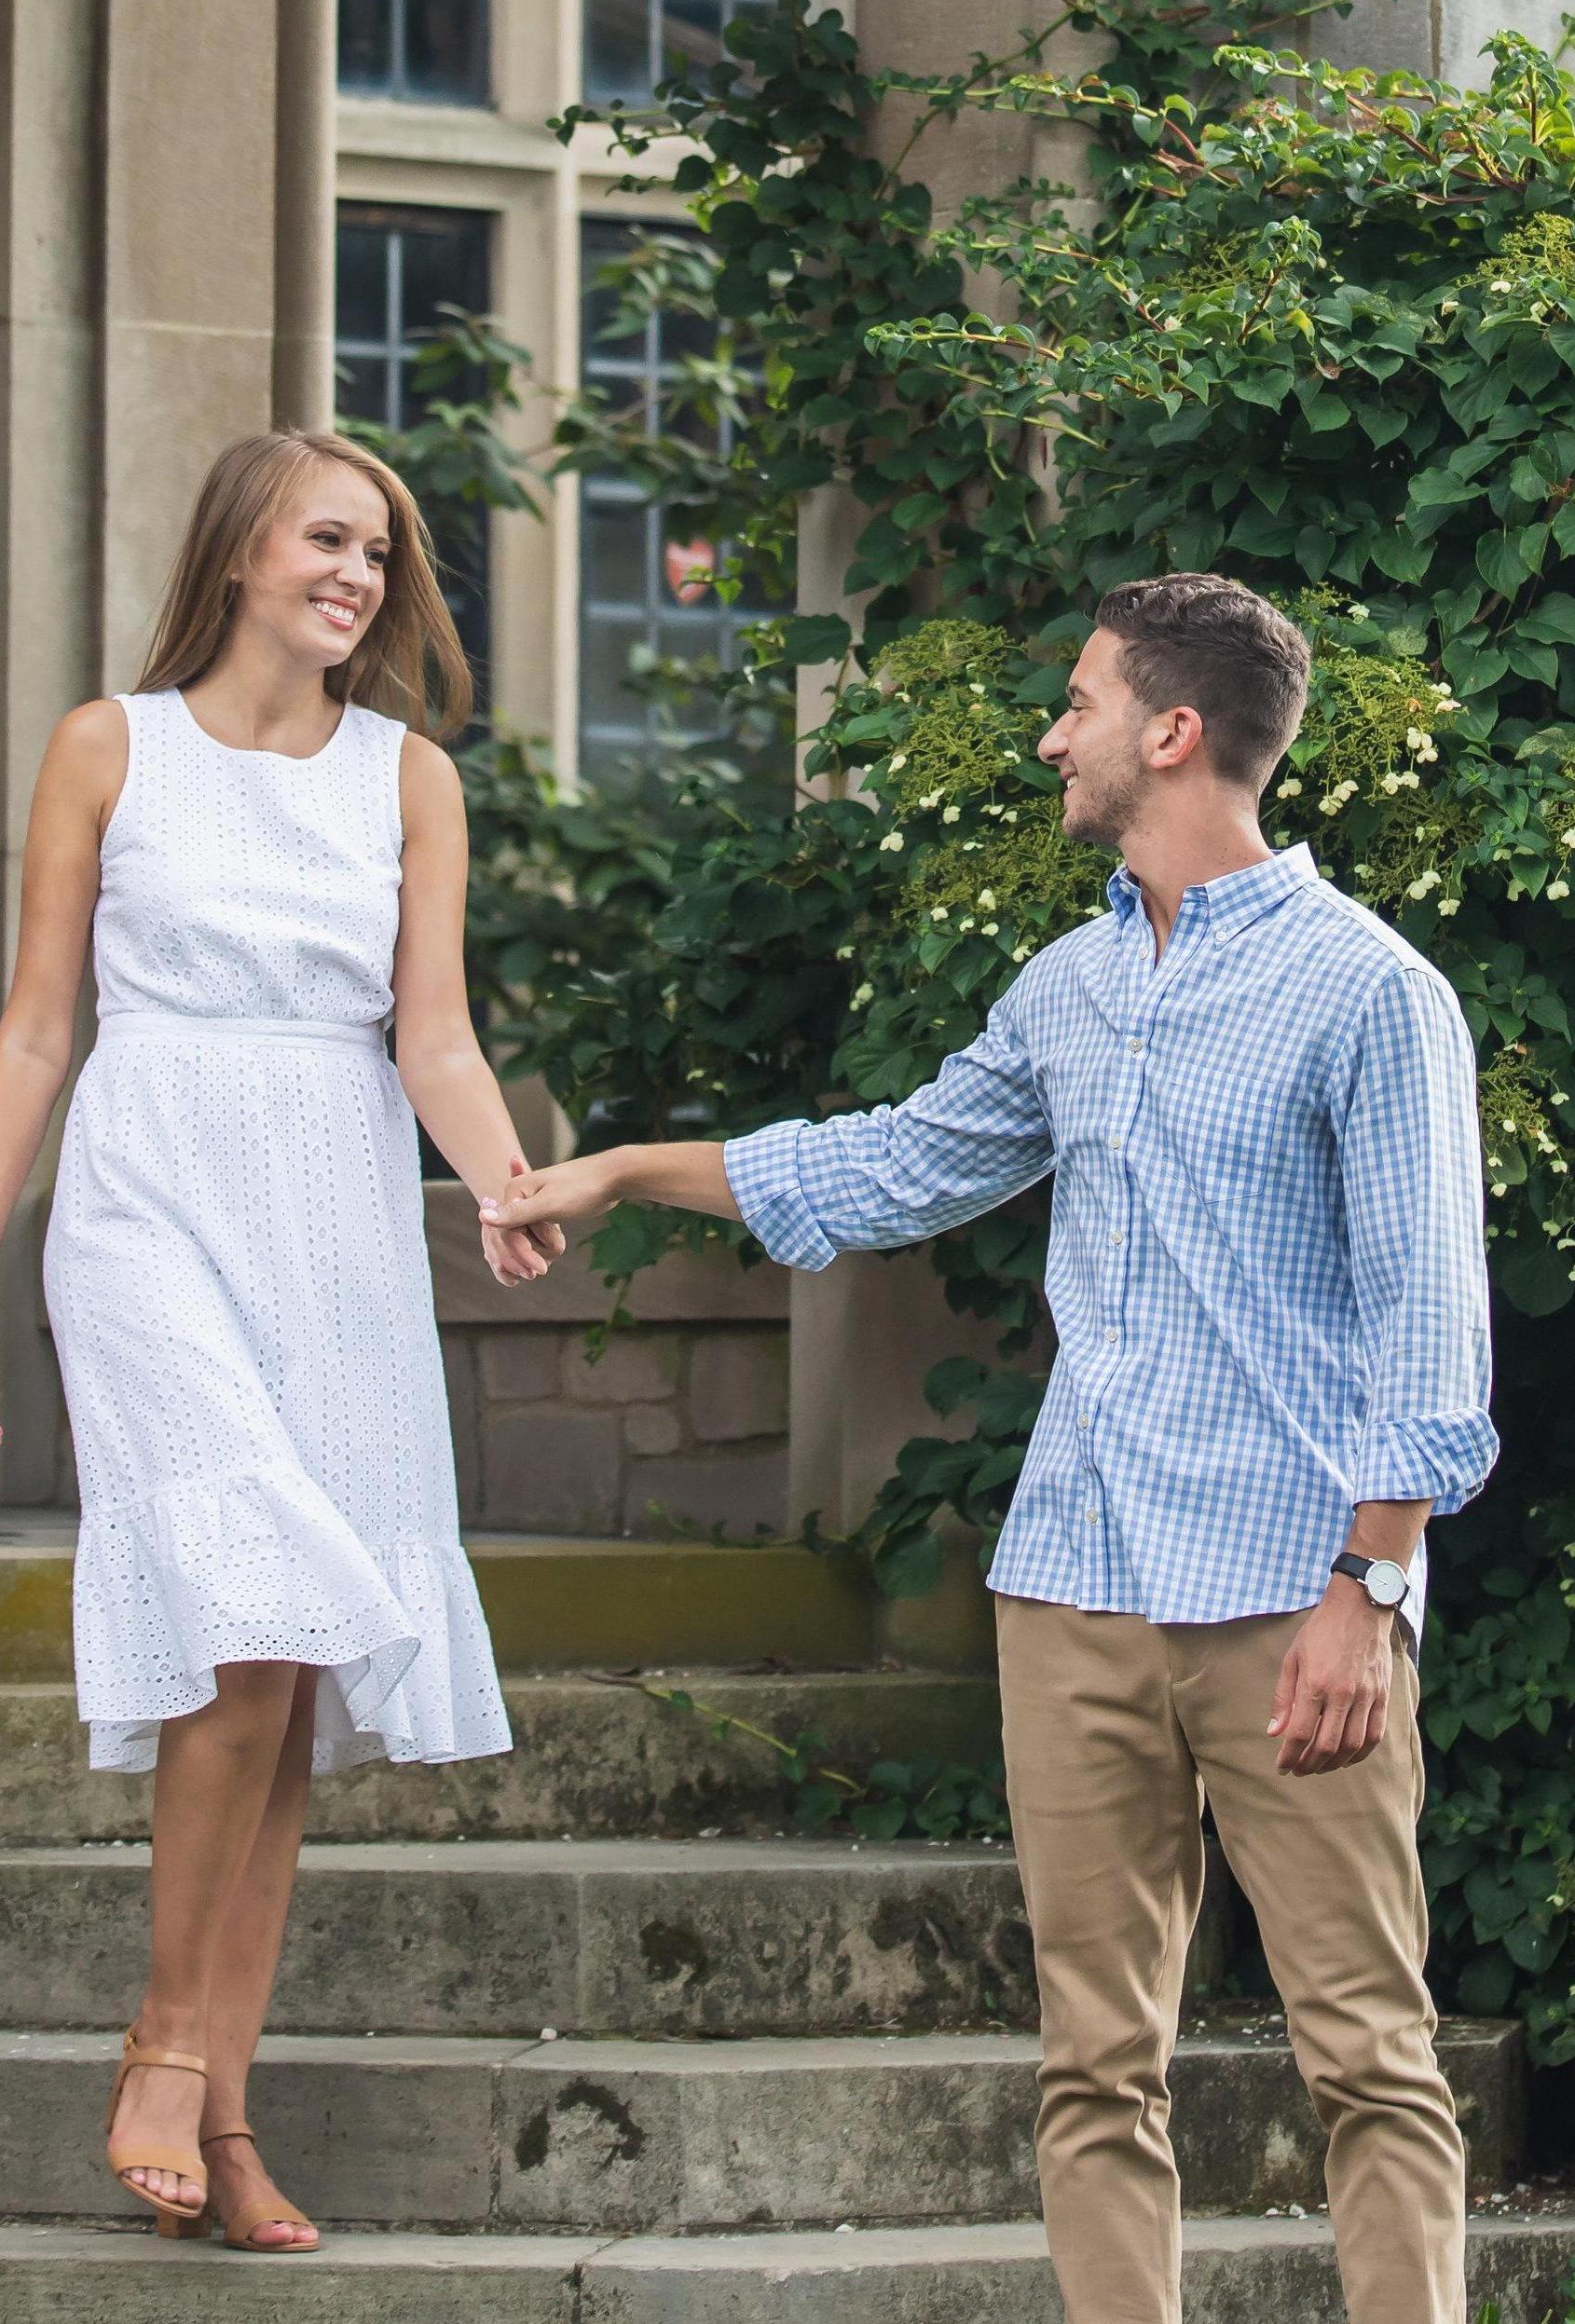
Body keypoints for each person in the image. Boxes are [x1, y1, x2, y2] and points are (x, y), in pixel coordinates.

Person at [484, 573, 1496, 2324]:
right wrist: (624, 1168)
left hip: (1289, 1601)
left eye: (1082, 701)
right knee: (1094, 2065)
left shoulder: (1372, 998)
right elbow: (888, 1164)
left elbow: (1431, 1324)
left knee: (1369, 2057)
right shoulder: (1071, 985)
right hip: (1076, 1592)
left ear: (1172, 733)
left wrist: (1370, 1581)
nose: (1054, 732)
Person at [0, 429, 562, 2253]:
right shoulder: (108, 748)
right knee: (255, 1610)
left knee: (273, 1687)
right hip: (145, 1209)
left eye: (384, 553)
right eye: (331, 541)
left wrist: (507, 1178)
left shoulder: (408, 781)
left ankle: (218, 2100)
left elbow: (428, 1033)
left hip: (335, 1227)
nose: (361, 576)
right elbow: (41, 1025)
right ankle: (168, 2054)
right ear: (237, 555)